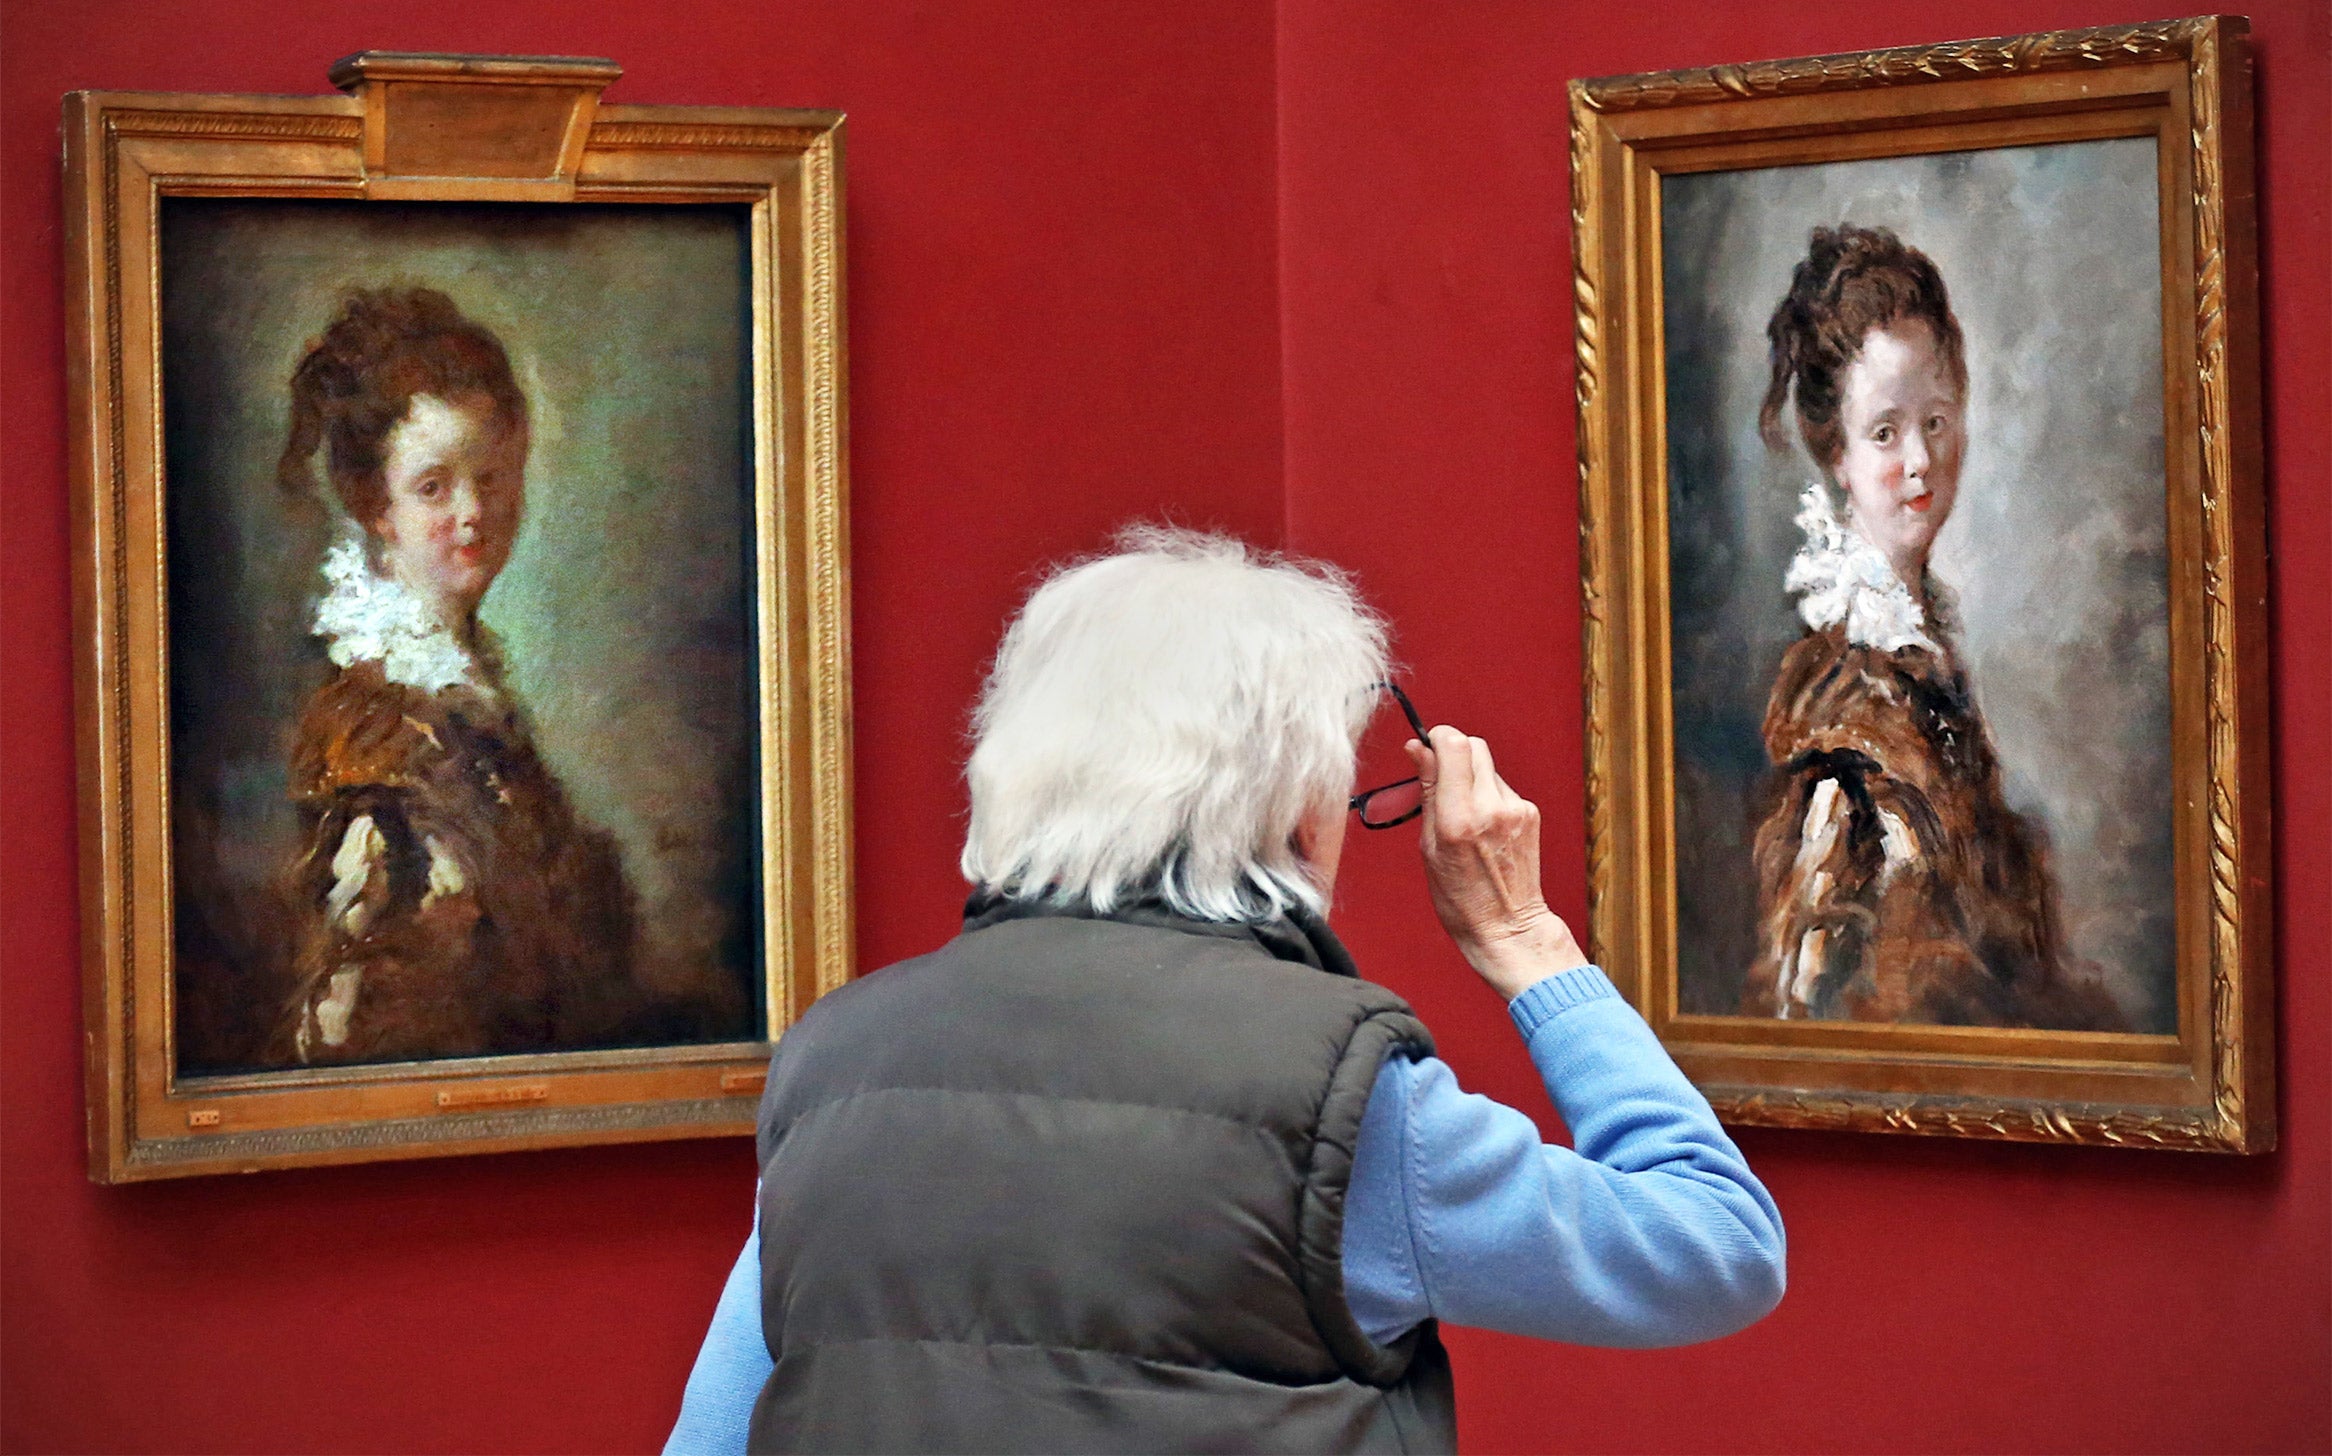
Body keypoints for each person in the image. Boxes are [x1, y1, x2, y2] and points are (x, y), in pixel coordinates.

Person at [667, 527, 1784, 1454]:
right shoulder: (1341, 1102)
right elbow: (1717, 1249)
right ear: (1297, 811)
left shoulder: (836, 1061)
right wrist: (1529, 940)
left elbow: (712, 1438)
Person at [1745, 226, 2119, 1028]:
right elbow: (1810, 995)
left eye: (1938, 421)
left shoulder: (1924, 644)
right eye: (1885, 432)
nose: (1921, 459)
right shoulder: (1840, 697)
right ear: (1836, 455)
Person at [268, 287, 639, 1066]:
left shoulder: (467, 692)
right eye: (434, 486)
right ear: (376, 505)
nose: (474, 512)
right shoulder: (369, 737)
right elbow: (349, 1032)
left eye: (494, 476)